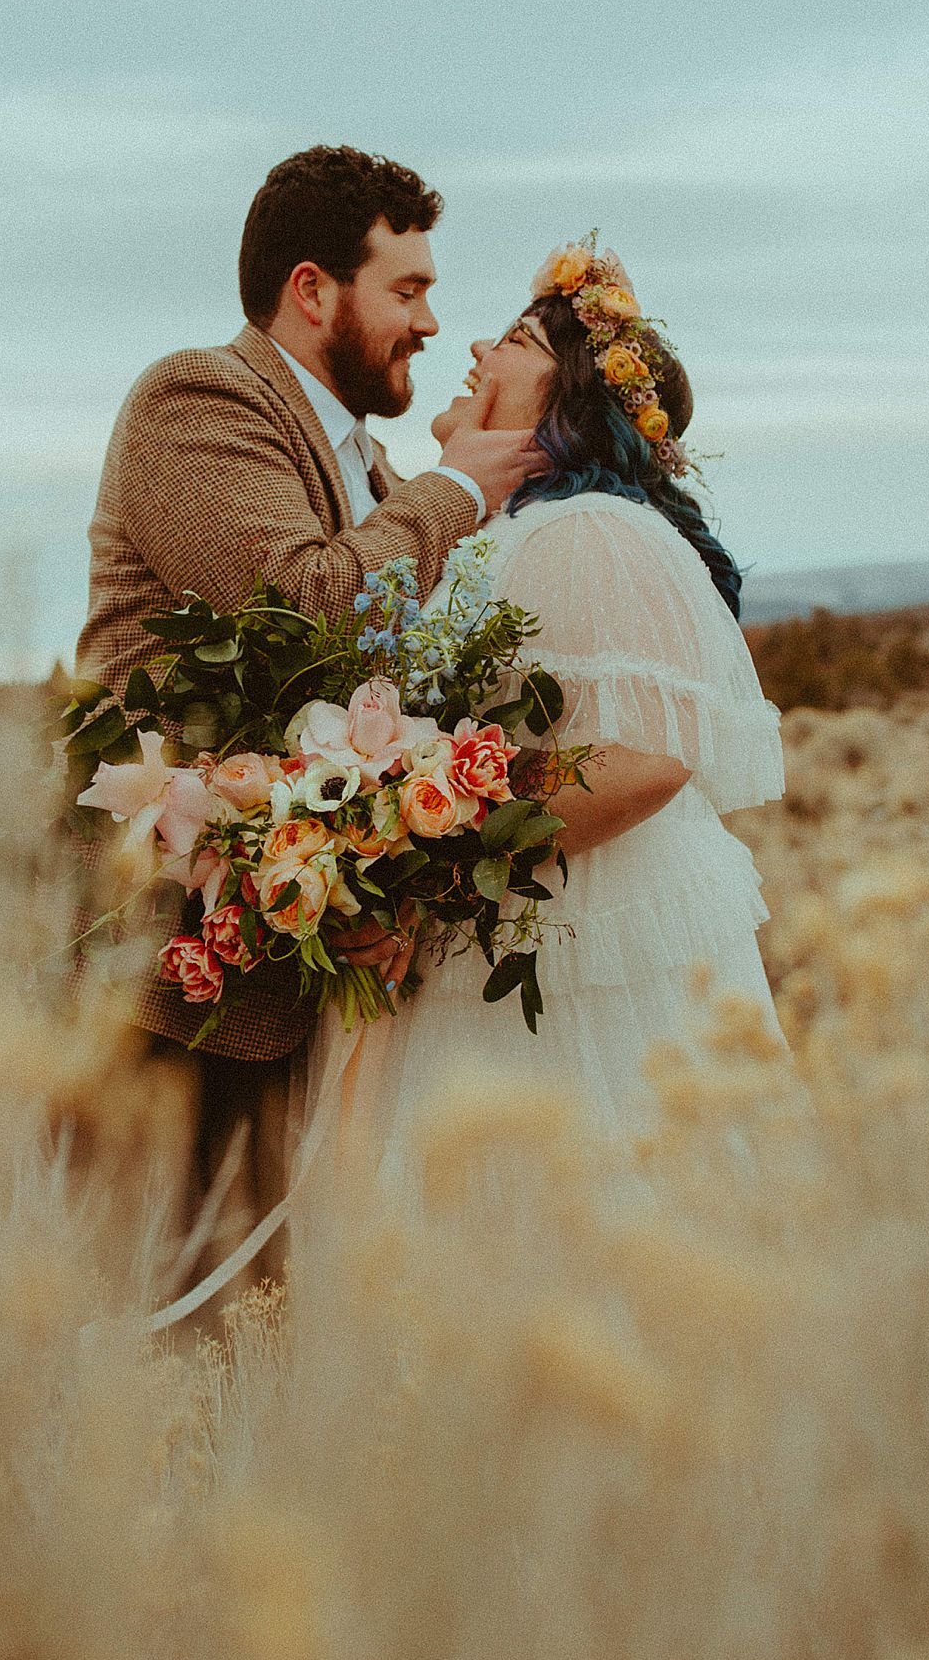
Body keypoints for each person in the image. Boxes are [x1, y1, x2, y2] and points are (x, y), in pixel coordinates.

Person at [71, 145, 546, 1305]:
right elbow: (307, 604)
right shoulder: (198, 399)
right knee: (131, 1327)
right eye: (409, 289)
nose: (432, 322)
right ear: (312, 289)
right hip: (159, 987)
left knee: (247, 1343)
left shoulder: (374, 477)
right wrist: (462, 492)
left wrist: (393, 879)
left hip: (295, 987)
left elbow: (373, 710)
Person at [293, 242, 790, 1208]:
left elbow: (649, 760)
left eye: (516, 338)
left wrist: (435, 846)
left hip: (562, 965)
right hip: (485, 950)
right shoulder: (509, 536)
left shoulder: (589, 530)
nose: (474, 345)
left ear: (568, 402)